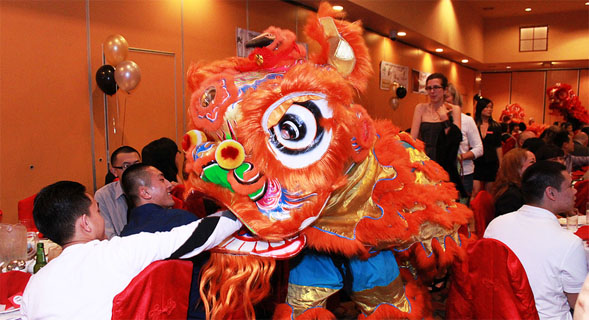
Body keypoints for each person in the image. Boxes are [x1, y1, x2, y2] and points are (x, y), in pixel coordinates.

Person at [21, 181, 241, 319]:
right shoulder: (116, 252)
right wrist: (246, 207)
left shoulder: (35, 283)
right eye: (97, 211)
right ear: (85, 224)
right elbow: (195, 237)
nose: (102, 218)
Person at [485, 161, 586, 319]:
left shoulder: (496, 225)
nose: (574, 191)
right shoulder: (568, 243)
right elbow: (579, 304)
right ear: (551, 193)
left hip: (500, 313)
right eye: (569, 186)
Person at [120, 163, 205, 319]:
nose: (169, 185)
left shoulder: (125, 235)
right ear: (145, 192)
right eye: (161, 179)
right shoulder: (182, 221)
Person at [411, 73, 464, 197]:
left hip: (445, 162)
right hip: (425, 162)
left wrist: (445, 119)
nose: (432, 91)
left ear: (445, 90)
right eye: (429, 88)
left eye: (436, 87)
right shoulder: (420, 108)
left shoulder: (453, 109)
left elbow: (455, 139)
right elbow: (412, 139)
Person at [446, 83, 483, 202]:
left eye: (446, 97)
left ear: (454, 98)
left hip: (463, 173)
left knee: (461, 210)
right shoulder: (433, 119)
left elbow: (479, 148)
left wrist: (461, 157)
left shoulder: (467, 121)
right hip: (440, 173)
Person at [94, 146, 141, 239]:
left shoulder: (153, 189)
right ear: (114, 171)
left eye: (137, 165)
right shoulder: (103, 195)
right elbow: (107, 235)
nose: (133, 171)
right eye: (126, 166)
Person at [492, 148, 536, 217]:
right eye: (532, 162)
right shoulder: (510, 196)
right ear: (517, 167)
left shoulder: (520, 188)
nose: (536, 166)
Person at [473, 97, 503, 197]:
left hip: (491, 161)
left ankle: (486, 211)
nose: (489, 109)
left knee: (489, 192)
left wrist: (501, 164)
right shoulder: (473, 124)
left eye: (491, 107)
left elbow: (498, 146)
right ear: (480, 108)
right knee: (475, 190)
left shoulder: (496, 126)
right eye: (486, 107)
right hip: (476, 161)